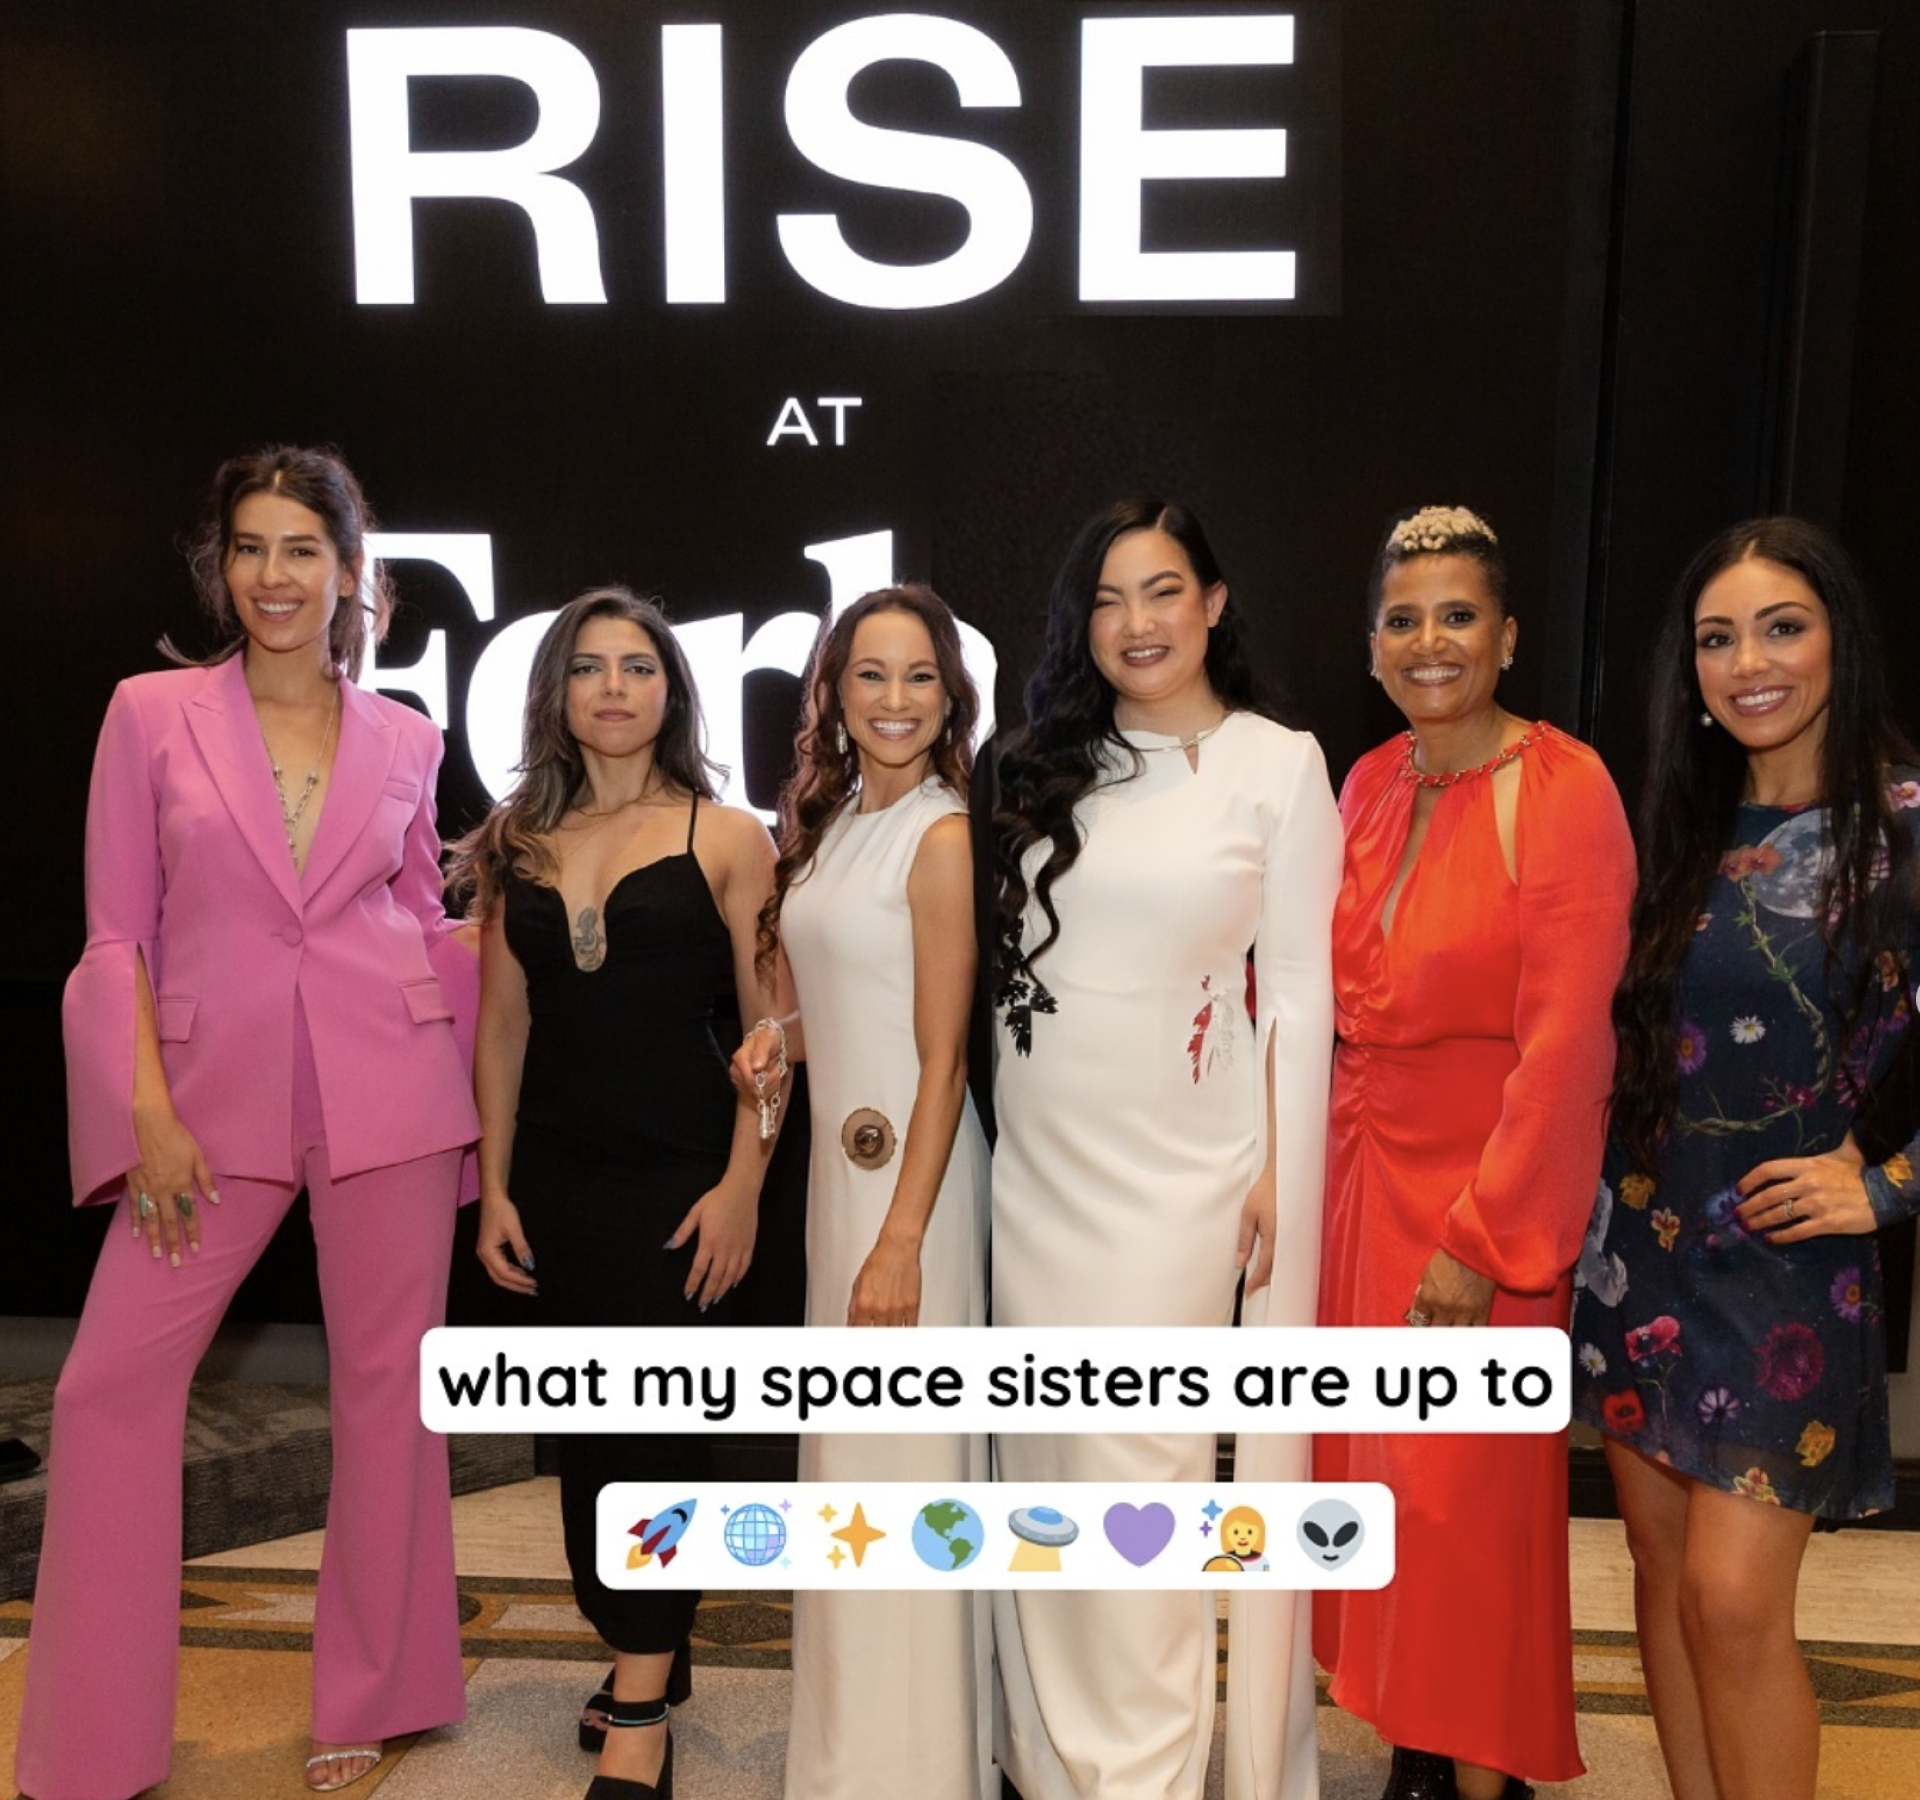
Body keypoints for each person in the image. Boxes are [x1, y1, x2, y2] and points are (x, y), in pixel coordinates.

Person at [16, 446, 480, 1799]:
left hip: (392, 1092)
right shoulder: (150, 713)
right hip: (201, 1109)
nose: (273, 577)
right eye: (250, 549)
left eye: (302, 551)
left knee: (396, 1392)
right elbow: (116, 931)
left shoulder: (407, 736)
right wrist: (142, 1108)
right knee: (108, 1390)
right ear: (219, 565)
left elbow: (418, 916)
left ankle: (379, 1694)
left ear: (350, 574)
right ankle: (93, 1739)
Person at [988, 498, 1342, 1800]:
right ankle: (1051, 1755)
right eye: (1109, 599)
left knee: (1142, 1480)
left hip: (1182, 1188)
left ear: (1215, 602)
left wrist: (1277, 1171)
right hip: (1035, 1180)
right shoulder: (1044, 765)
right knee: (1050, 1473)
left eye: (1162, 592)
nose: (1136, 623)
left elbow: (1301, 993)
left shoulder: (1277, 765)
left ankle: (1143, 1773)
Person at [1570, 518, 1920, 1800]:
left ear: (1840, 637)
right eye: (1718, 637)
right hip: (1636, 1267)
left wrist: (1884, 1186)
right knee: (1664, 1583)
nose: (1749, 663)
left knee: (1731, 1602)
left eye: (1783, 627)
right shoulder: (1675, 817)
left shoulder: (1902, 824)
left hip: (1787, 1273)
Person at [1313, 505, 1634, 1800]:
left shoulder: (1565, 787)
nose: (1429, 640)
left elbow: (1568, 1051)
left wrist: (1482, 1243)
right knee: (1382, 1501)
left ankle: (1475, 1776)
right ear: (1374, 642)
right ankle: (1417, 1759)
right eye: (1404, 617)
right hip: (1362, 1180)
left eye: (1457, 615)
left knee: (1462, 1517)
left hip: (1487, 1208)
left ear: (1506, 635)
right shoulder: (1370, 781)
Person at [457, 587, 780, 1800]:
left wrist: (746, 1183)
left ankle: (641, 1697)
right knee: (591, 1441)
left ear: (670, 690)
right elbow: (501, 1030)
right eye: (587, 667)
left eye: (637, 667)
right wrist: (493, 1189)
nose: (612, 687)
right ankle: (648, 1641)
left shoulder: (728, 835)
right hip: (558, 1185)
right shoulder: (514, 843)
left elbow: (774, 1035)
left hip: (684, 1183)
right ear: (556, 692)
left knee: (657, 1438)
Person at [734, 584, 992, 1800]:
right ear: (834, 694)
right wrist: (778, 1035)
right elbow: (822, 993)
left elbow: (944, 1059)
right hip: (838, 1183)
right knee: (848, 1469)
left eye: (919, 678)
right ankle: (847, 1762)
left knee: (906, 1469)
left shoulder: (943, 833)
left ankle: (916, 1771)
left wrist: (903, 1243)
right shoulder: (833, 824)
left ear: (951, 697)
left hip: (916, 1203)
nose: (894, 700)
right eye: (870, 676)